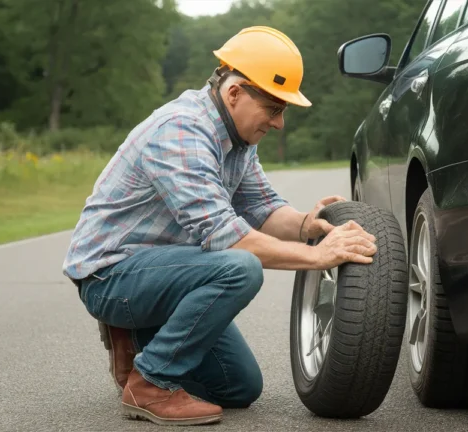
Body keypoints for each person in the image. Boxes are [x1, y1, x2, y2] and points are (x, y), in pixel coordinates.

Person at [62, 26, 377, 426]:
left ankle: (138, 338)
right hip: (113, 276)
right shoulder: (181, 131)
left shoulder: (238, 140)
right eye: (275, 109)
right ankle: (149, 382)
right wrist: (318, 257)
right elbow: (225, 238)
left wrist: (306, 226)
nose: (280, 124)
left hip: (168, 274)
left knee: (239, 388)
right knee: (240, 267)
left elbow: (261, 206)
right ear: (234, 93)